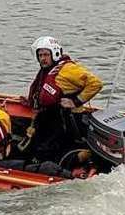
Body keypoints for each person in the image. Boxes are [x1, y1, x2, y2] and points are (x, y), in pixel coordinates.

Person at [23, 36, 103, 165]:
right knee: (37, 145)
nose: (43, 58)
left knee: (47, 151)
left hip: (65, 119)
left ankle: (74, 160)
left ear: (54, 53)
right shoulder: (48, 70)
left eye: (46, 54)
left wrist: (76, 101)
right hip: (50, 116)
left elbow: (96, 83)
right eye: (40, 55)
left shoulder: (68, 69)